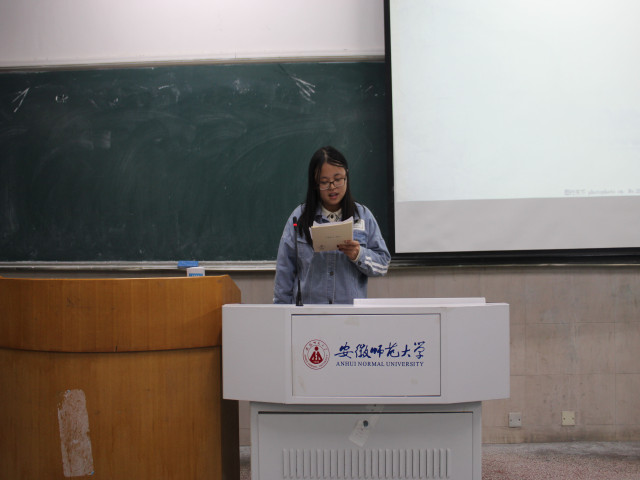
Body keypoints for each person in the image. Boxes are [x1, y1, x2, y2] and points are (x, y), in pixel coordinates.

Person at [273, 146, 390, 304]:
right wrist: (281, 312)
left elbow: (383, 264)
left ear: (346, 176)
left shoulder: (363, 216)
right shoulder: (299, 217)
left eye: (338, 179)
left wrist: (359, 254)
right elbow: (284, 272)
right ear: (315, 184)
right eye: (324, 182)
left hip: (350, 314)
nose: (332, 187)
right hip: (308, 313)